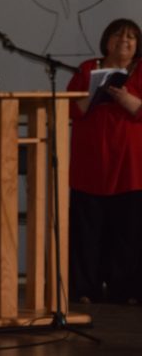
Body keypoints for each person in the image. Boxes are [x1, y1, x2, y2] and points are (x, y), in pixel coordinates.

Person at [66, 17, 142, 303]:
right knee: (87, 229)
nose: (124, 41)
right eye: (118, 35)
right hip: (91, 162)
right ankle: (85, 288)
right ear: (106, 41)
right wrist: (95, 95)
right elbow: (70, 108)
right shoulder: (88, 68)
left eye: (131, 37)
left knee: (129, 231)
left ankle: (127, 290)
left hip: (130, 166)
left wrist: (126, 99)